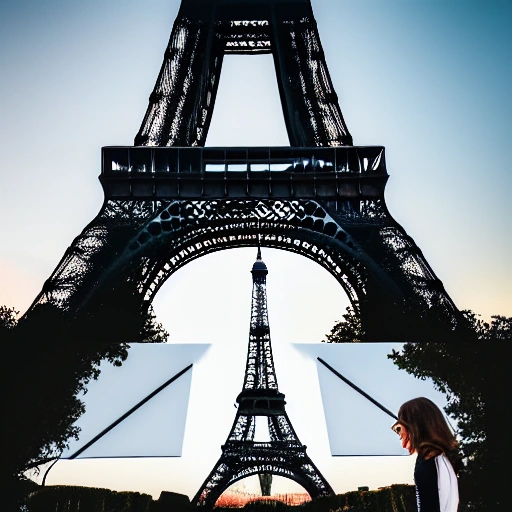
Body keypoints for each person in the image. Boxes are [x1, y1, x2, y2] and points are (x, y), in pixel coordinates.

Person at [392, 397, 462, 512]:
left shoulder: (429, 465)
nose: (400, 432)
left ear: (415, 426)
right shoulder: (439, 459)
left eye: (402, 425)